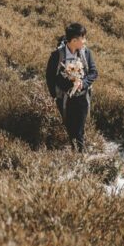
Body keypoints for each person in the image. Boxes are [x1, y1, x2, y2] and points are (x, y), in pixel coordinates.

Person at [46, 22, 98, 152]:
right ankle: (75, 148)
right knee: (69, 125)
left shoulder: (86, 53)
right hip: (65, 99)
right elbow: (50, 77)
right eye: (83, 38)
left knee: (80, 127)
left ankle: (80, 151)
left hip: (82, 96)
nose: (85, 41)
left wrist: (83, 83)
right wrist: (56, 96)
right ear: (74, 40)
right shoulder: (57, 56)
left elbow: (93, 72)